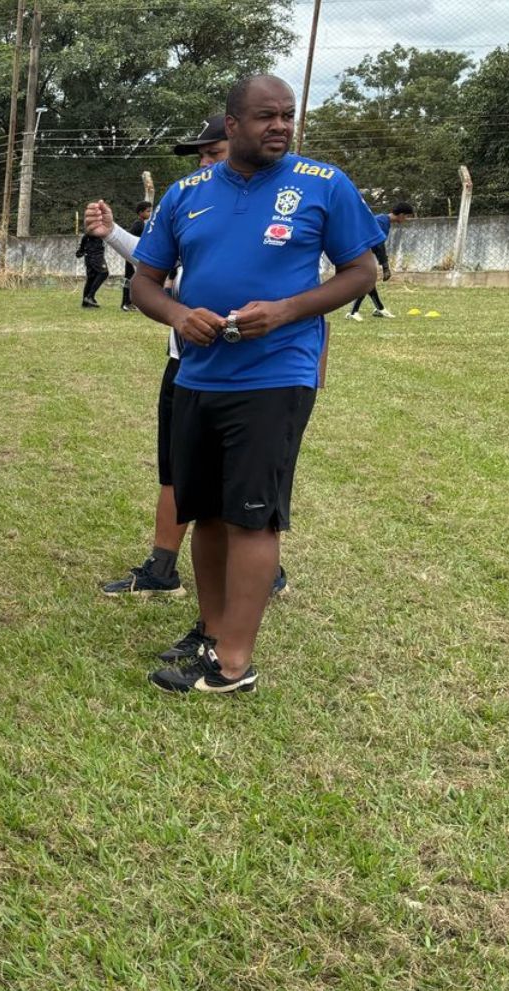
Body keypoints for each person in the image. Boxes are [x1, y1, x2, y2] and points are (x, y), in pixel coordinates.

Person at [128, 73, 382, 693]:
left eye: (288, 116)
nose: (280, 126)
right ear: (233, 124)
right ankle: (213, 636)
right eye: (266, 116)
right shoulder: (187, 193)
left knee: (252, 517)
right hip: (198, 376)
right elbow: (144, 282)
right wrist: (180, 316)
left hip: (276, 374)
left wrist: (288, 310)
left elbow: (362, 270)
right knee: (206, 513)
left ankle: (234, 663)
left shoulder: (323, 185)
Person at [86, 114, 238, 600]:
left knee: (239, 474)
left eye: (213, 153)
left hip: (247, 370)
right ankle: (162, 567)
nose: (204, 165)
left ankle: (257, 563)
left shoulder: (268, 209)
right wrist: (112, 233)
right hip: (185, 363)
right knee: (175, 467)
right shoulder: (191, 203)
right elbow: (157, 266)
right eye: (202, 156)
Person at [347, 201, 414, 320]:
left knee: (369, 281)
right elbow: (379, 245)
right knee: (368, 280)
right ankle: (354, 312)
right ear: (401, 215)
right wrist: (385, 267)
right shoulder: (381, 222)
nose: (406, 220)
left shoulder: (384, 221)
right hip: (357, 252)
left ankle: (379, 309)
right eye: (407, 217)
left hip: (362, 252)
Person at [119, 201, 153, 312]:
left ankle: (130, 302)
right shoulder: (138, 224)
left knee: (132, 279)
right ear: (141, 212)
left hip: (136, 255)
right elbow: (130, 238)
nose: (150, 213)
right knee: (129, 279)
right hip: (132, 255)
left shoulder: (143, 223)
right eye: (148, 211)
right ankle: (126, 303)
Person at [76, 225, 111, 308]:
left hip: (89, 258)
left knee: (91, 278)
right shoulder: (93, 233)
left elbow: (80, 250)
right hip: (96, 257)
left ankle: (85, 303)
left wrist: (80, 252)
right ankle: (89, 297)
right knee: (104, 273)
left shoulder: (86, 236)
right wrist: (80, 252)